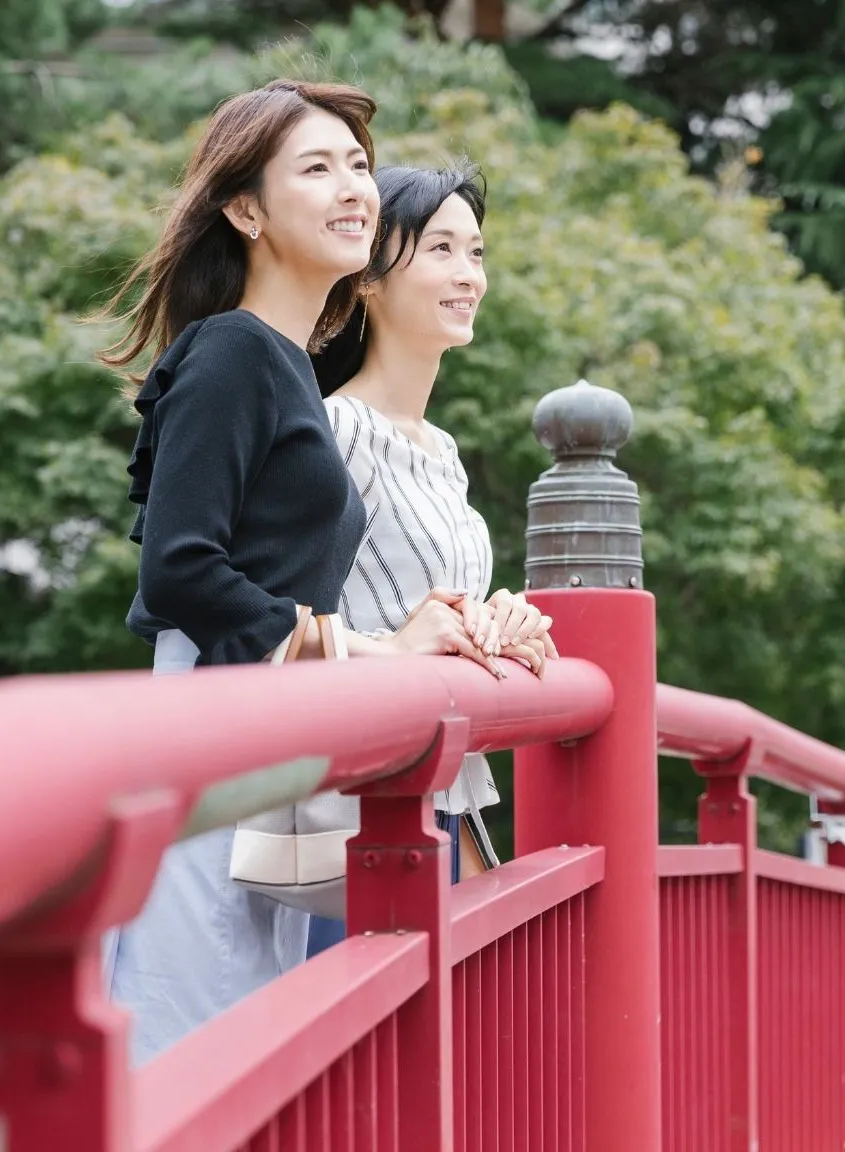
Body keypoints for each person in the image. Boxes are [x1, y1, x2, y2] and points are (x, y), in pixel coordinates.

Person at [102, 80, 501, 1068]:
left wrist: (397, 640)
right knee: (180, 1045)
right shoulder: (231, 352)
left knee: (229, 1042)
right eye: (316, 169)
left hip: (264, 744)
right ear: (246, 211)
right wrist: (370, 651)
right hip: (210, 729)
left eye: (358, 165)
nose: (353, 187)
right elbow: (181, 570)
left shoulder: (281, 363)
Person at [304, 163, 559, 957]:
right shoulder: (336, 430)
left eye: (475, 253)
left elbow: (431, 605)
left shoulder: (441, 450)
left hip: (443, 787)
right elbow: (296, 614)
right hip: (360, 806)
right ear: (368, 278)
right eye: (440, 249)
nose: (468, 274)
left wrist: (498, 621)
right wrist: (398, 645)